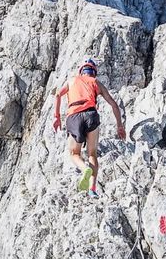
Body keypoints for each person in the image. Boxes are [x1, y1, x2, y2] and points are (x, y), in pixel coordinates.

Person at [52, 58, 126, 197]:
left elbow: (57, 95)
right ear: (94, 73)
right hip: (91, 115)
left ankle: (84, 168)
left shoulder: (72, 80)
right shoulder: (96, 82)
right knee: (92, 154)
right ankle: (92, 189)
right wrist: (120, 126)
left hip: (74, 116)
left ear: (81, 71)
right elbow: (113, 104)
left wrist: (56, 116)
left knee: (74, 153)